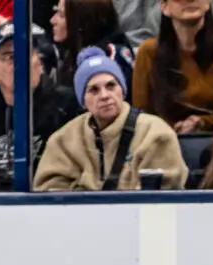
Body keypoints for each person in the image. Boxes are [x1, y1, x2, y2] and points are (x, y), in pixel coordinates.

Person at [34, 47, 187, 191]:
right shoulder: (63, 141)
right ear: (83, 101)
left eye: (111, 86)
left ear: (122, 90)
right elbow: (50, 194)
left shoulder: (155, 134)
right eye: (93, 90)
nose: (105, 96)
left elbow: (163, 197)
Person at [0, 22, 79, 191]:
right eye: (11, 57)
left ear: (40, 64)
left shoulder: (67, 106)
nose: (22, 63)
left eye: (27, 54)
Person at [131, 0, 213, 133]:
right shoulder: (148, 52)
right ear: (164, 7)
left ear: (208, 3)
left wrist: (202, 122)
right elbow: (141, 114)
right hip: (163, 141)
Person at [49, 0, 135, 97]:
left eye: (61, 15)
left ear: (83, 21)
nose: (52, 20)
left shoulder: (112, 55)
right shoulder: (70, 51)